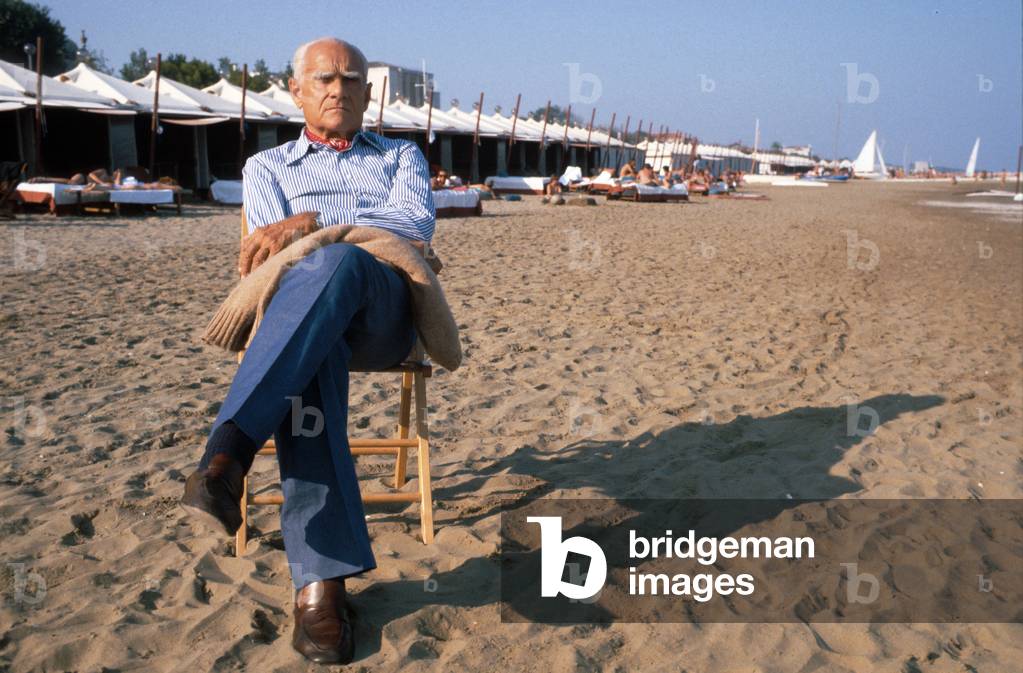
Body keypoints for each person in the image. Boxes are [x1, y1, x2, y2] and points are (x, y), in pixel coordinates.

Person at [179, 37, 436, 665]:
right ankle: (319, 588)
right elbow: (272, 259)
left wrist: (315, 224)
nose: (337, 89)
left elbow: (411, 229)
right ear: (296, 91)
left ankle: (229, 453)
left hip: (384, 307)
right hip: (306, 322)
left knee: (335, 261)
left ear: (368, 94)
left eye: (351, 80)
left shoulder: (402, 156)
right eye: (323, 79)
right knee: (313, 325)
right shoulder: (268, 167)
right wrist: (318, 238)